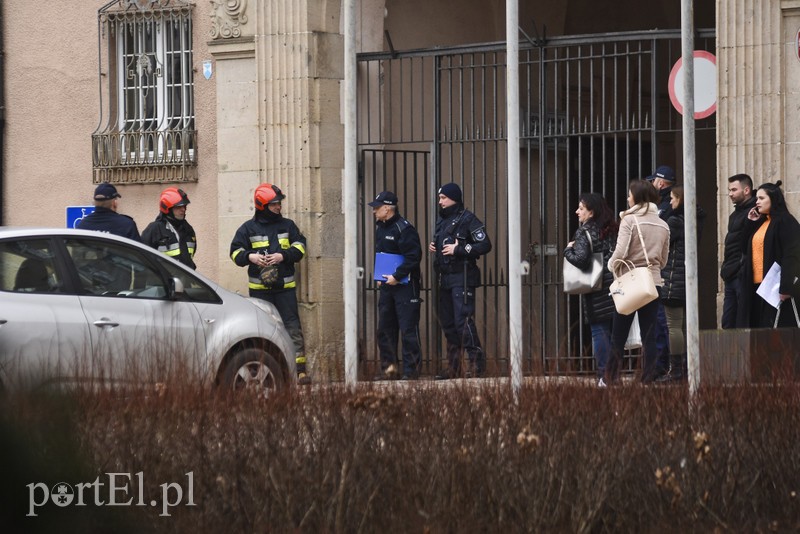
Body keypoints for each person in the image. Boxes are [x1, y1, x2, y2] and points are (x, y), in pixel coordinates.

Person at [230, 183, 311, 385]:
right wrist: (251, 257)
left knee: (292, 328)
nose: (278, 206)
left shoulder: (288, 226)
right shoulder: (247, 229)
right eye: (274, 204)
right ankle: (263, 370)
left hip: (285, 289)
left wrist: (282, 256)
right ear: (262, 206)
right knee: (260, 331)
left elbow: (301, 247)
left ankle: (299, 371)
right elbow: (235, 253)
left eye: (279, 203)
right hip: (260, 292)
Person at [606, 180, 670, 383]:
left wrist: (611, 265)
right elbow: (664, 260)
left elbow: (621, 252)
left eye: (629, 194)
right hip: (652, 283)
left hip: (631, 282)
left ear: (638, 197)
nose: (627, 198)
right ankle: (648, 377)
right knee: (649, 335)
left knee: (619, 334)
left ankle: (611, 378)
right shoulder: (663, 224)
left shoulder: (629, 220)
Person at [429, 182, 492, 379]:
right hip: (445, 278)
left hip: (462, 277)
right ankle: (454, 367)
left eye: (443, 198)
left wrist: (459, 249)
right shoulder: (443, 220)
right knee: (448, 324)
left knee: (462, 321)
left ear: (454, 198)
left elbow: (485, 244)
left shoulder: (467, 219)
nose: (440, 202)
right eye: (439, 198)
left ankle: (476, 363)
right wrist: (435, 246)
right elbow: (444, 242)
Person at [563, 193, 618, 387]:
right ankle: (613, 375)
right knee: (613, 333)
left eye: (581, 208)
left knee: (599, 331)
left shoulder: (583, 232)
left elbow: (581, 260)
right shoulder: (611, 229)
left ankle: (604, 375)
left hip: (596, 288)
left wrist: (568, 250)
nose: (577, 212)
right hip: (614, 285)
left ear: (591, 212)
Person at [369, 191, 423, 381]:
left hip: (405, 286)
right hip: (387, 286)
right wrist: (380, 275)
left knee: (408, 329)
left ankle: (411, 371)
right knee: (385, 329)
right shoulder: (381, 229)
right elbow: (383, 254)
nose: (374, 211)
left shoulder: (404, 229)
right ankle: (389, 369)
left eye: (377, 208)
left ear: (387, 208)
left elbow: (414, 257)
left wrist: (397, 276)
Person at [658, 186, 706, 382]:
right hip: (686, 277)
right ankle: (688, 366)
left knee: (674, 325)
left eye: (673, 198)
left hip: (673, 278)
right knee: (685, 324)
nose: (670, 202)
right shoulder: (695, 218)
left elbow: (661, 243)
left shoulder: (675, 221)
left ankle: (677, 369)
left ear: (681, 199)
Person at [736, 181, 800, 328]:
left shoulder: (785, 221)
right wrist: (751, 223)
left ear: (773, 199)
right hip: (756, 287)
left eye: (761, 198)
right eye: (756, 198)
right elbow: (744, 249)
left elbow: (792, 255)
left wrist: (786, 287)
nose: (757, 202)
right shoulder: (761, 222)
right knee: (756, 329)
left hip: (775, 289)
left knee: (775, 329)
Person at [645, 164, 676, 378]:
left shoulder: (665, 208)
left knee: (663, 322)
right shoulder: (661, 205)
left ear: (661, 183)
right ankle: (660, 365)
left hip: (664, 271)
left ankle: (663, 365)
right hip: (662, 271)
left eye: (653, 181)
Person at [720, 173, 756, 328]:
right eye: (729, 190)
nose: (730, 194)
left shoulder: (754, 213)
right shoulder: (734, 214)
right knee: (728, 321)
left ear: (746, 190)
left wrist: (740, 266)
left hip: (741, 273)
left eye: (734, 190)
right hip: (730, 273)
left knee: (742, 321)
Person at [141, 187, 197, 269]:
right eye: (178, 207)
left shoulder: (188, 229)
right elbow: (143, 258)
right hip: (162, 277)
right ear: (167, 208)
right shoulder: (155, 229)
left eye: (184, 206)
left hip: (185, 276)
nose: (183, 209)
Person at [76, 182, 141, 241]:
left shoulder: (82, 225)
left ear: (95, 202)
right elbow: (137, 249)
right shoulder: (127, 225)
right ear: (114, 203)